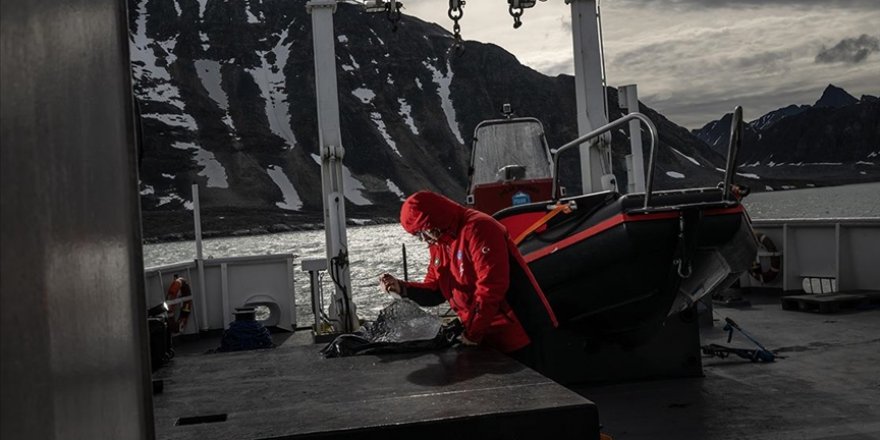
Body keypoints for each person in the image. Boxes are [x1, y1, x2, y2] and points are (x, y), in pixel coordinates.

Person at [380, 191, 557, 366]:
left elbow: (491, 287)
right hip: (485, 332)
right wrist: (402, 288)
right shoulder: (439, 241)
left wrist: (472, 333)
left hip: (518, 331)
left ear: (435, 220)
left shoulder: (479, 228)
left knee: (530, 388)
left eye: (423, 232)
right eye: (418, 235)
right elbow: (435, 289)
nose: (424, 240)